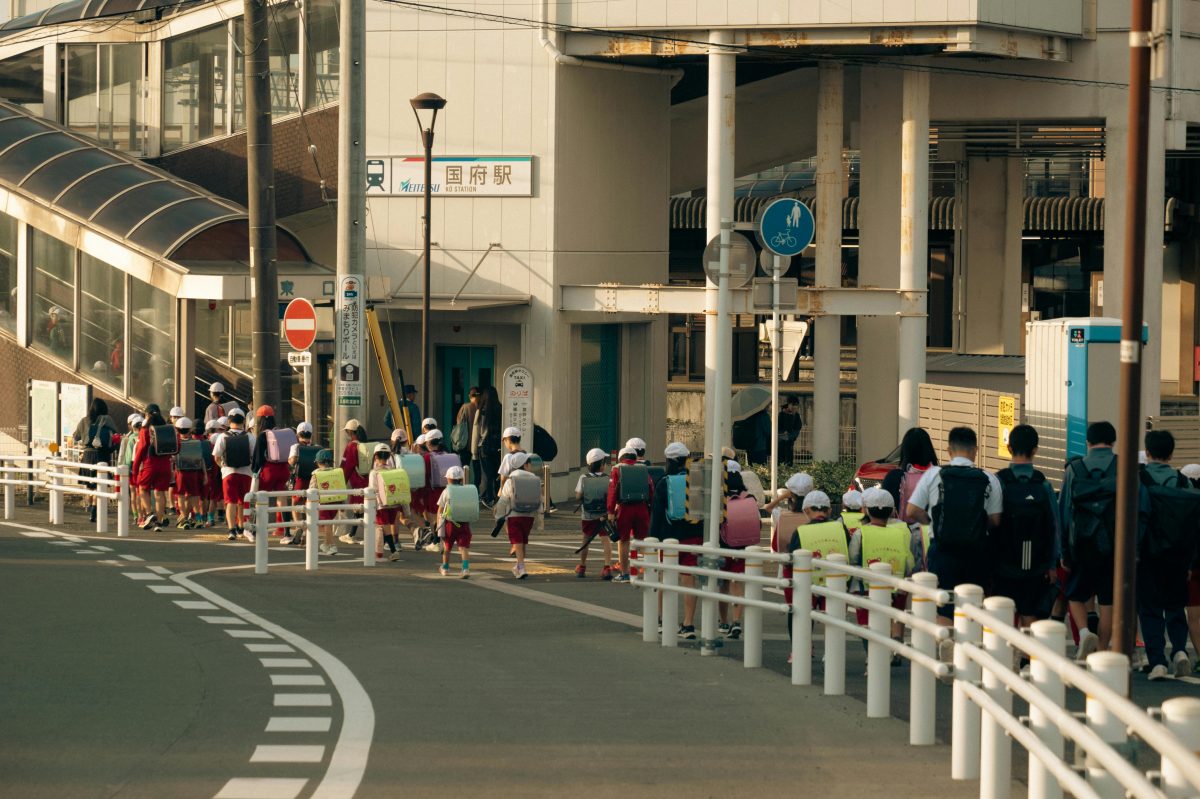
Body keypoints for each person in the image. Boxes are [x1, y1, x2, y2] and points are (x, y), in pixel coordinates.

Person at [905, 426, 1003, 628]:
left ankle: (947, 643)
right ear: (976, 450)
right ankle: (969, 650)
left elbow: (911, 510)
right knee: (974, 604)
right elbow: (995, 520)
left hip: (943, 550)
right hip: (977, 552)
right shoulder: (989, 478)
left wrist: (930, 520)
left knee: (943, 604)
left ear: (949, 451)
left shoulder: (934, 475)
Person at [1138, 430, 1198, 679]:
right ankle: (1180, 651)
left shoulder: (1140, 479)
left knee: (1150, 608)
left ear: (1148, 452)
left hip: (1147, 555)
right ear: (1171, 454)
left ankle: (1158, 661)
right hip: (1178, 555)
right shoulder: (1183, 481)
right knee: (1175, 605)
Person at [1058, 420, 1119, 657]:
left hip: (1081, 544)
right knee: (1108, 603)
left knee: (1074, 595)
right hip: (1114, 546)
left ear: (1088, 442)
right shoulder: (1122, 467)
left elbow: (1064, 513)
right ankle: (1103, 650)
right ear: (1113, 441)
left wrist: (1064, 551)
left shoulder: (1075, 469)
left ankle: (1084, 633)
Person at [992, 424, 1060, 627]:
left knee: (1001, 614)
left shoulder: (999, 481)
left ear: (1009, 448)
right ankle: (1027, 658)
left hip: (1002, 562)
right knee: (1029, 613)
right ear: (1035, 450)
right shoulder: (1043, 484)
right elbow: (1054, 526)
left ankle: (1004, 655)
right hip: (1035, 565)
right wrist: (1051, 565)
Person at [849, 487, 921, 659]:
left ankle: (872, 657)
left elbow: (852, 558)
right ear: (891, 511)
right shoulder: (901, 532)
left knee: (866, 623)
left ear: (866, 510)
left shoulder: (861, 533)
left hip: (866, 585)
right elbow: (910, 561)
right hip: (895, 586)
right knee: (894, 617)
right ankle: (893, 647)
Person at [649, 442, 703, 638]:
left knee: (666, 578)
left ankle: (663, 620)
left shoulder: (664, 482)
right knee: (689, 579)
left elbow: (656, 514)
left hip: (669, 538)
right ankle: (688, 624)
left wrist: (652, 539)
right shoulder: (696, 480)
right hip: (693, 536)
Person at [607, 445, 654, 583]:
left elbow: (612, 491)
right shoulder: (643, 469)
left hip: (624, 508)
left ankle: (625, 573)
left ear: (622, 457)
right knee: (643, 541)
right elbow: (650, 488)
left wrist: (610, 511)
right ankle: (649, 573)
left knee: (624, 541)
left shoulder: (617, 469)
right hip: (642, 508)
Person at [212, 408, 255, 542]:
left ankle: (231, 530)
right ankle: (241, 527)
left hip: (229, 473)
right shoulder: (250, 436)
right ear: (243, 421)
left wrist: (223, 467)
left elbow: (217, 457)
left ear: (229, 421)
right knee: (242, 502)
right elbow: (254, 456)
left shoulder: (223, 436)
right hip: (246, 473)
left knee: (230, 502)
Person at [71, 397, 118, 523]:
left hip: (87, 456)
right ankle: (95, 509)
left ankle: (91, 508)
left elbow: (76, 437)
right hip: (102, 456)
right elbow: (115, 435)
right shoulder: (108, 420)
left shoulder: (84, 421)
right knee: (99, 485)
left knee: (89, 485)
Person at [496, 451, 541, 579]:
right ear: (526, 465)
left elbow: (504, 500)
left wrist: (499, 515)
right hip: (529, 516)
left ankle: (521, 566)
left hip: (514, 515)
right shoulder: (534, 478)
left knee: (517, 541)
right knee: (523, 541)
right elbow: (540, 498)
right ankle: (519, 565)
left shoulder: (511, 479)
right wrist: (540, 516)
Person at [882, 427, 939, 521]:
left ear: (905, 450)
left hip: (901, 533)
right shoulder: (940, 477)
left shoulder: (894, 477)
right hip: (930, 533)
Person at [132, 404, 174, 531]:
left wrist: (135, 468)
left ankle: (150, 514)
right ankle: (159, 523)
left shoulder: (145, 430)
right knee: (160, 493)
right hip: (165, 464)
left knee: (143, 489)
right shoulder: (167, 428)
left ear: (147, 415)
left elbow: (141, 450)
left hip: (150, 464)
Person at [575, 448, 614, 580]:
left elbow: (578, 495)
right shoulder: (608, 479)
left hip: (588, 515)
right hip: (603, 515)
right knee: (605, 539)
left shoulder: (583, 478)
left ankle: (582, 566)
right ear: (602, 464)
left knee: (586, 539)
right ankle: (607, 567)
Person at [437, 464, 474, 578]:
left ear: (448, 479)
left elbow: (440, 509)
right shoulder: (466, 490)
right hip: (464, 523)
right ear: (462, 479)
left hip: (450, 524)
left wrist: (438, 525)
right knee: (463, 548)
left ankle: (445, 568)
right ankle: (465, 569)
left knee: (447, 547)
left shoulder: (447, 491)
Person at [367, 444, 402, 562]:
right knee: (384, 527)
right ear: (388, 457)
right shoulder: (393, 471)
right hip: (394, 503)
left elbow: (373, 489)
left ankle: (392, 551)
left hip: (381, 505)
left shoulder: (374, 472)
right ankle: (379, 552)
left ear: (375, 456)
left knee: (383, 527)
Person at [338, 419, 369, 545]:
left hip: (357, 479)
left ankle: (356, 534)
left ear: (350, 432)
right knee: (364, 508)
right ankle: (352, 534)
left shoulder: (351, 446)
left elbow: (347, 466)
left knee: (359, 507)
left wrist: (341, 482)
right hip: (367, 478)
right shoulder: (365, 444)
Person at [172, 417, 207, 530]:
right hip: (195, 472)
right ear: (190, 429)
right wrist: (205, 474)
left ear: (177, 429)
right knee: (194, 495)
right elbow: (201, 459)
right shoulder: (196, 442)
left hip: (181, 472)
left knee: (181, 496)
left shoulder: (176, 443)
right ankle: (198, 519)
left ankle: (184, 519)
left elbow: (172, 459)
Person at [474, 386, 502, 504]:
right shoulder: (501, 409)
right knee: (497, 472)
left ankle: (489, 498)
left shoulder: (481, 411)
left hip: (484, 446)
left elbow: (476, 432)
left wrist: (474, 451)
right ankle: (498, 497)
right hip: (498, 446)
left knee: (488, 474)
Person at [452, 387, 479, 464]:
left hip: (465, 444)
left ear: (469, 396)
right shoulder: (482, 407)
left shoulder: (465, 407)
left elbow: (459, 424)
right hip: (478, 444)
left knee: (464, 468)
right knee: (478, 471)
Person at [778, 395, 802, 465]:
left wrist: (790, 436)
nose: (794, 407)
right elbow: (776, 427)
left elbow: (797, 428)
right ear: (788, 404)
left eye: (796, 405)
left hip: (790, 442)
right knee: (780, 461)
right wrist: (782, 434)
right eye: (792, 405)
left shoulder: (796, 416)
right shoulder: (781, 414)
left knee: (789, 461)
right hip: (780, 442)